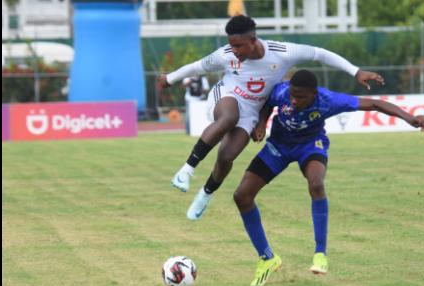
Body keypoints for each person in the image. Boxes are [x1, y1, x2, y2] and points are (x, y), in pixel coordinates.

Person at [158, 15, 385, 221]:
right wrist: (169, 79)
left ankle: (205, 194)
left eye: (238, 45)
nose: (233, 49)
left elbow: (320, 54)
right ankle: (187, 170)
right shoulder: (225, 55)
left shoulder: (282, 52)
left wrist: (356, 71)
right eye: (231, 44)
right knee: (228, 117)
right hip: (226, 96)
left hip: (251, 111)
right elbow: (197, 67)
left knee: (227, 156)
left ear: (253, 40)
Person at [233, 69, 424, 286]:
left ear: (314, 94)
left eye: (300, 97)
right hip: (278, 147)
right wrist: (261, 123)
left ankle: (320, 254)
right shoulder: (282, 92)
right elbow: (267, 103)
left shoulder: (329, 100)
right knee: (242, 195)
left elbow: (374, 104)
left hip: (310, 146)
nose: (294, 100)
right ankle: (267, 258)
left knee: (316, 184)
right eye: (292, 96)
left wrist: (410, 117)